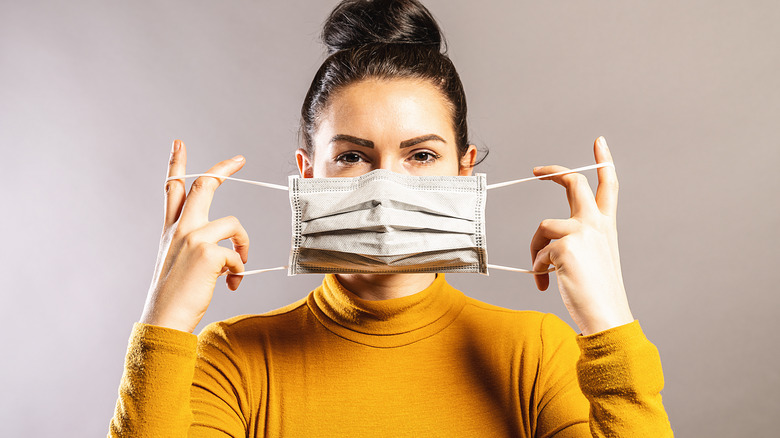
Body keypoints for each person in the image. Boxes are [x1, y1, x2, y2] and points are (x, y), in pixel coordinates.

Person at [109, 0, 673, 436]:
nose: (385, 187)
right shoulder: (233, 358)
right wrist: (164, 322)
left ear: (463, 170)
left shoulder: (538, 352)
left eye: (421, 155)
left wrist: (610, 324)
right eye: (353, 156)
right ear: (309, 175)